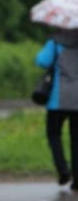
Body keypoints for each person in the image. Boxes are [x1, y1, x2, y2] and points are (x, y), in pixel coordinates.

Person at [35, 28, 78, 189]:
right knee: (76, 140)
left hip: (57, 100)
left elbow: (42, 61)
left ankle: (63, 170)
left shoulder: (56, 41)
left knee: (54, 134)